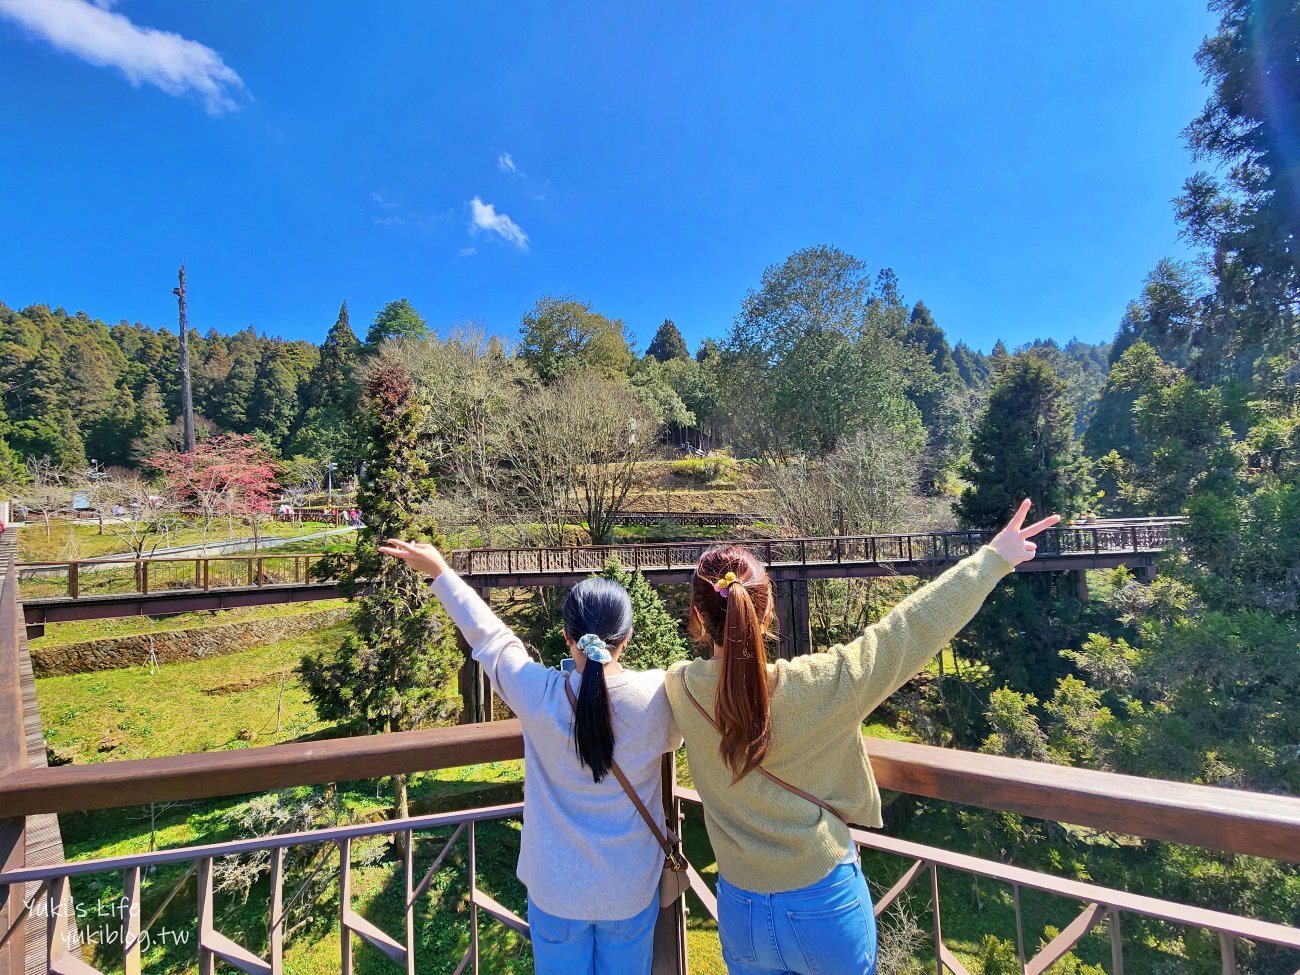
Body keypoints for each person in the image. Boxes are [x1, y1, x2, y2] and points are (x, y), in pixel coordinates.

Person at [666, 499, 1059, 975]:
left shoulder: (680, 688)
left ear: (697, 613)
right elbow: (909, 629)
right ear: (766, 613)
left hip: (739, 907)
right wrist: (993, 558)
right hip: (820, 902)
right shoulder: (824, 685)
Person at [378, 538, 682, 975]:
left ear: (566, 636)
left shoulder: (538, 696)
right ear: (627, 638)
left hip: (556, 891)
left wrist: (440, 573)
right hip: (629, 889)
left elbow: (492, 639)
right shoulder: (659, 696)